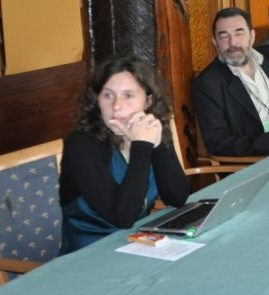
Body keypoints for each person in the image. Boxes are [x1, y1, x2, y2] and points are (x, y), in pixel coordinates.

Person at [60, 57, 189, 253]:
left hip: (137, 243)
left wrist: (158, 146)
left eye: (128, 95)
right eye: (108, 95)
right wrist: (141, 146)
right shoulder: (81, 144)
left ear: (148, 101)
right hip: (90, 253)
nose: (116, 106)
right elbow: (122, 217)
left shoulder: (151, 129)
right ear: (97, 100)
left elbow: (177, 197)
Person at [194, 7, 269, 156]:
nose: (232, 42)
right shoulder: (209, 83)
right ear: (215, 42)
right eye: (224, 36)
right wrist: (268, 143)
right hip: (262, 158)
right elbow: (217, 142)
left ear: (252, 36)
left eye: (239, 33)